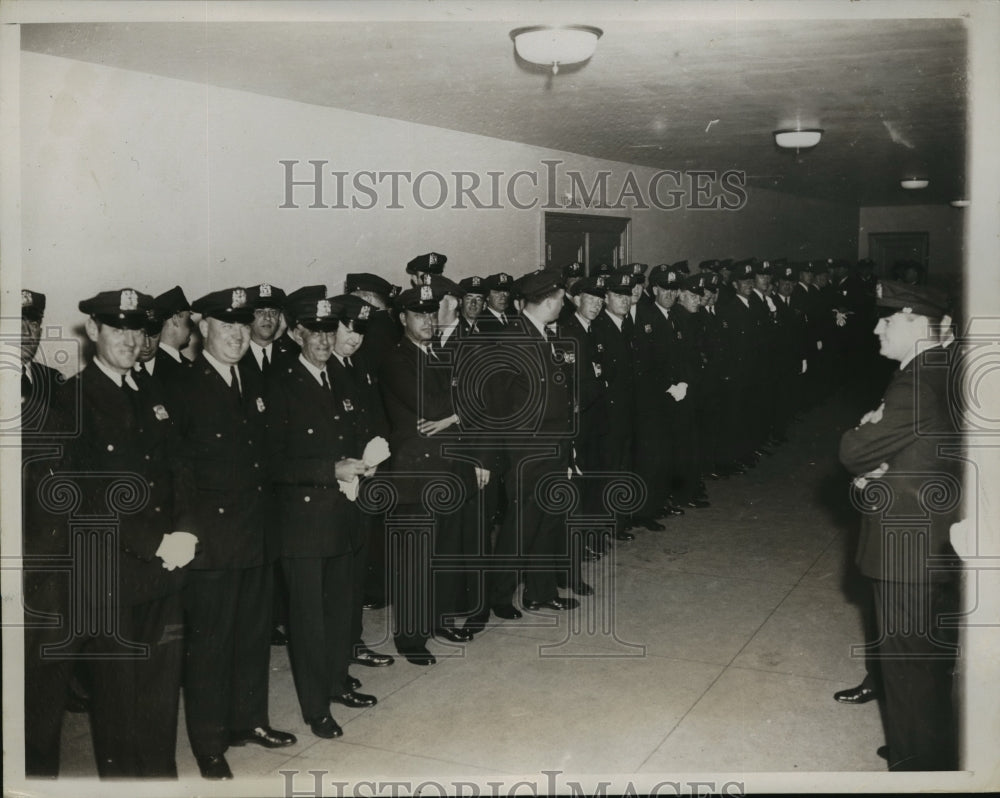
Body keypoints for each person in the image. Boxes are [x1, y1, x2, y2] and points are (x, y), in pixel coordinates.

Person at [43, 288, 197, 778]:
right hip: (113, 577)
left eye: (138, 329)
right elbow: (85, 496)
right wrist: (155, 543)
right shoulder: (73, 400)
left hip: (166, 568)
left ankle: (161, 779)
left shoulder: (150, 392)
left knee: (159, 690)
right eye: (118, 328)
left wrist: (187, 532)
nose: (131, 340)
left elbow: (180, 470)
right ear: (94, 331)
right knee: (118, 701)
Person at [169, 287, 296, 780]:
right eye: (227, 326)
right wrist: (190, 534)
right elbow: (178, 470)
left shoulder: (254, 378)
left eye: (243, 326)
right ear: (204, 328)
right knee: (210, 646)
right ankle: (209, 743)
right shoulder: (183, 386)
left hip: (257, 535)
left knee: (251, 638)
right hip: (213, 542)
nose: (238, 335)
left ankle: (249, 722)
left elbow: (272, 452)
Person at [838, 279, 961, 771]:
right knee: (929, 660)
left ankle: (917, 768)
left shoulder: (913, 383)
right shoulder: (946, 367)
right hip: (939, 532)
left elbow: (851, 451)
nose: (875, 327)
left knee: (907, 668)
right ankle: (930, 745)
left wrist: (866, 435)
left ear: (913, 323)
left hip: (907, 541)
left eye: (886, 319)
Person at [265, 292, 378, 740]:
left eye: (330, 332)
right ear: (297, 334)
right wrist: (328, 471)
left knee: (338, 611)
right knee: (308, 621)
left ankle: (335, 684)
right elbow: (270, 463)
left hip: (342, 516)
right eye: (316, 332)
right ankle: (315, 708)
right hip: (303, 523)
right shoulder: (278, 383)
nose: (325, 341)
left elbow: (356, 429)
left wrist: (368, 455)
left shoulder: (340, 378)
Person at [379, 285, 489, 663]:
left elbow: (466, 402)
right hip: (416, 473)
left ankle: (437, 619)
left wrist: (455, 416)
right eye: (418, 314)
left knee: (443, 552)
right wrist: (462, 409)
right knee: (415, 559)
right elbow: (431, 403)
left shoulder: (439, 354)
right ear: (402, 318)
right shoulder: (395, 359)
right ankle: (410, 638)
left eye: (431, 314)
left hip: (449, 467)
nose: (427, 321)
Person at [152, 286, 194, 381]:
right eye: (188, 318)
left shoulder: (180, 361)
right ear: (175, 319)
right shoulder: (158, 366)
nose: (192, 325)